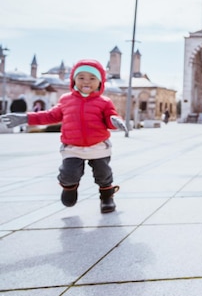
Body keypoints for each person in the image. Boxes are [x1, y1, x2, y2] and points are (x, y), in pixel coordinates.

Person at [1, 59, 127, 213]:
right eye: (81, 78)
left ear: (100, 82)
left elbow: (110, 117)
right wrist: (26, 118)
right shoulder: (66, 100)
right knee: (68, 173)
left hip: (98, 146)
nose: (86, 81)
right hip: (72, 147)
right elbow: (49, 116)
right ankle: (69, 187)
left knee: (103, 173)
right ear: (73, 79)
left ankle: (107, 197)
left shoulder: (104, 102)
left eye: (92, 78)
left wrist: (115, 121)